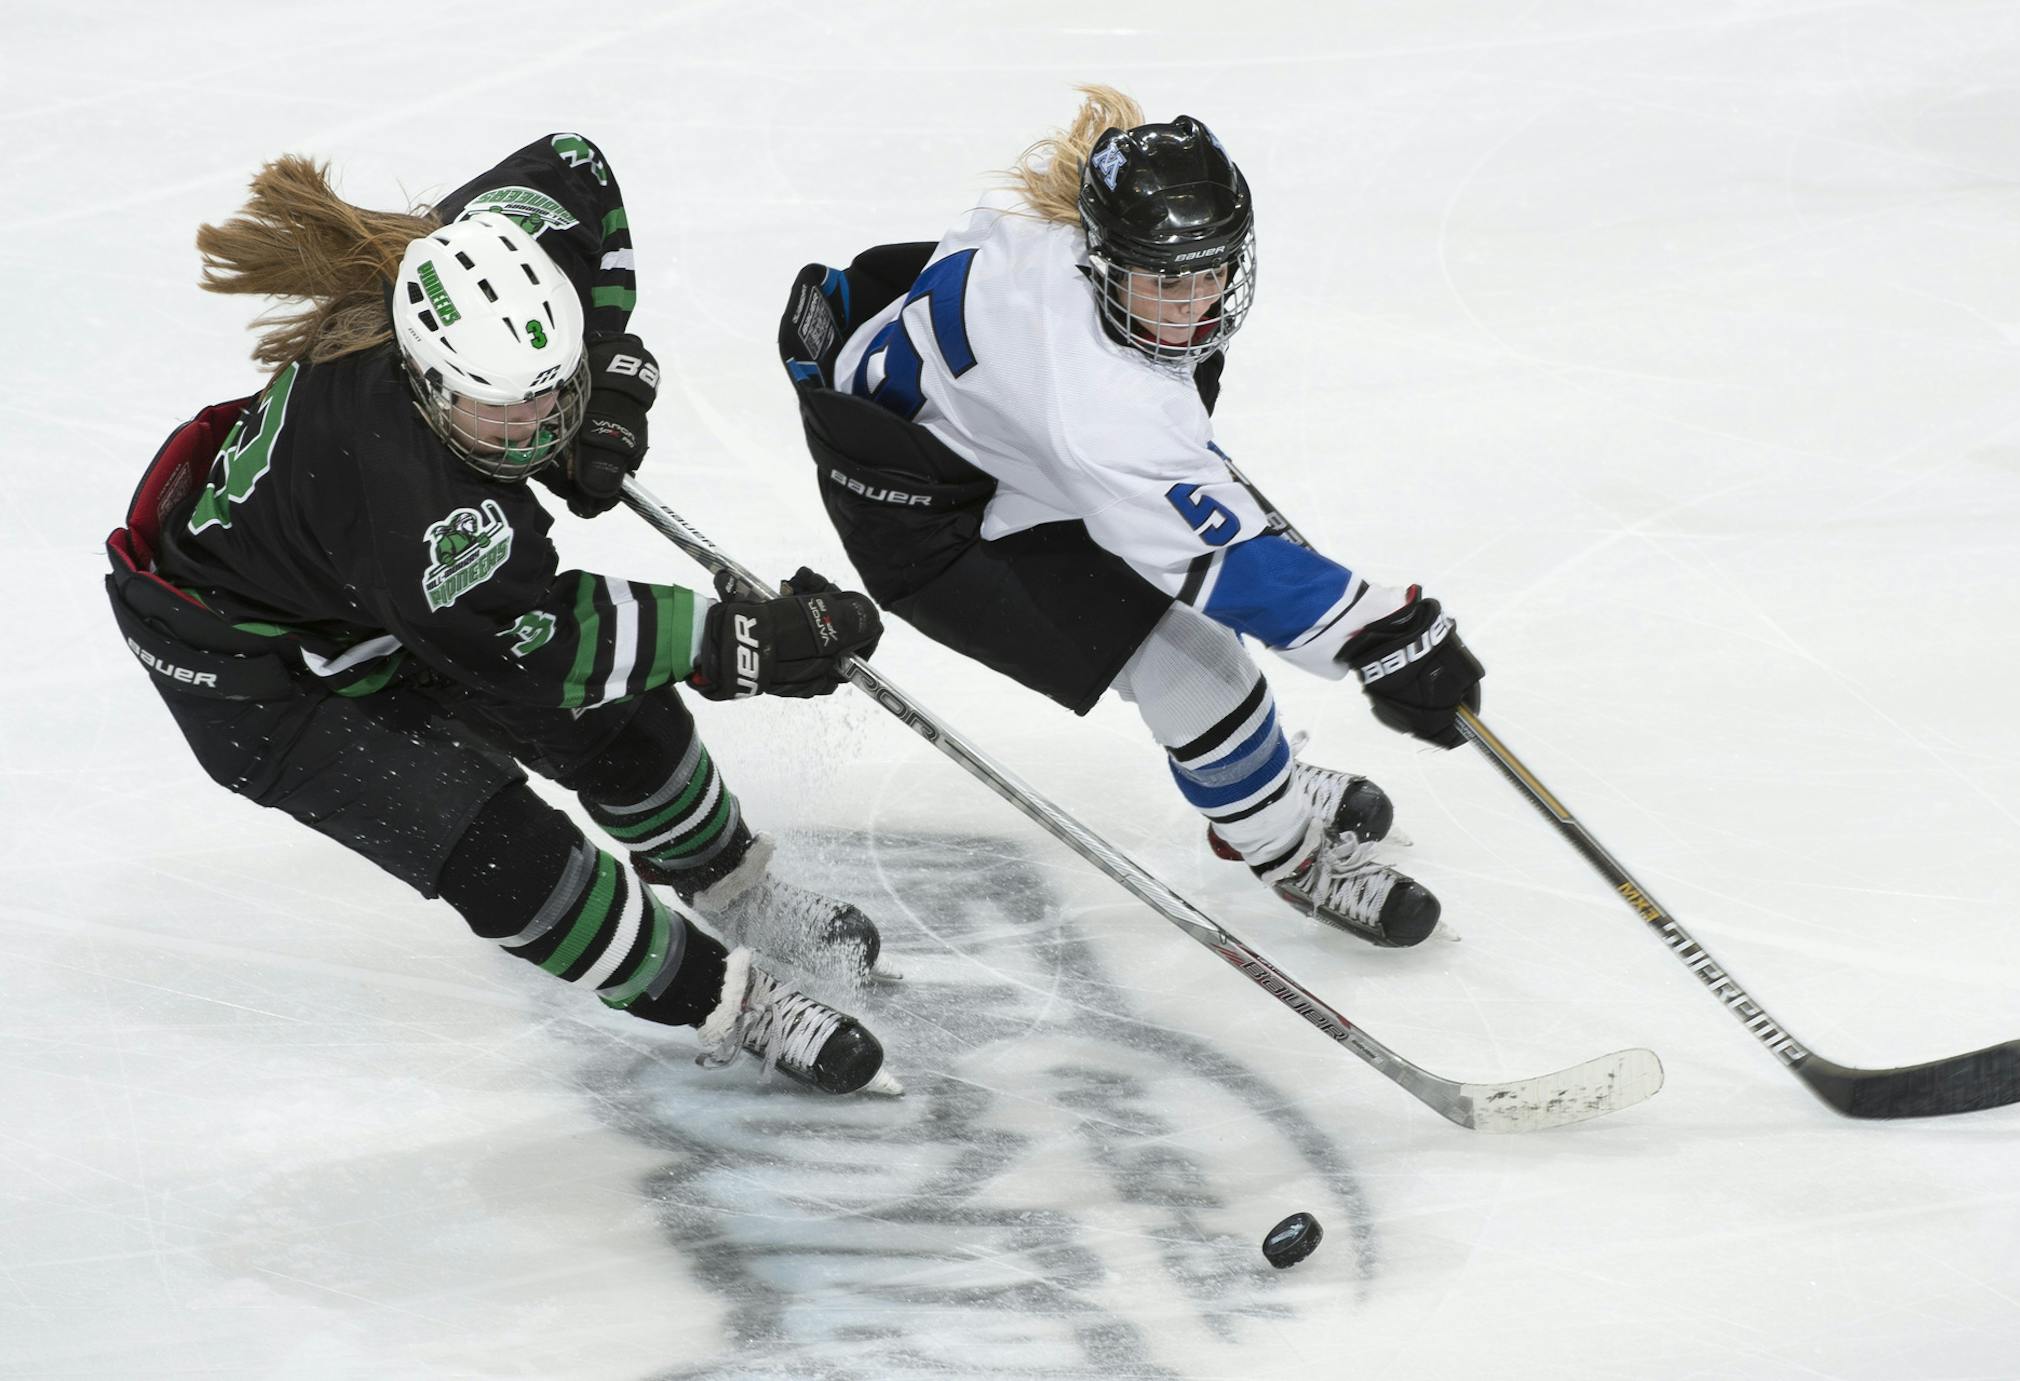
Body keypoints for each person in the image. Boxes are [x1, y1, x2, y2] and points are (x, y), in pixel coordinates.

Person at [105, 133, 896, 1095]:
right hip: (257, 673)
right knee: (506, 851)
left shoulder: (489, 281)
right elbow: (546, 647)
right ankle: (742, 1004)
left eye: (550, 394)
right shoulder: (411, 496)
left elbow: (578, 171)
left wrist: (601, 371)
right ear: (429, 382)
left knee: (626, 725)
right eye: (499, 417)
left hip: (351, 588)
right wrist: (739, 642)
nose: (535, 430)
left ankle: (739, 890)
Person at [775, 88, 1486, 948]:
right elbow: (1224, 568)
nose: (1195, 306)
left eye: (1213, 271)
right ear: (1106, 263)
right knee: (1194, 664)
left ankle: (1257, 777)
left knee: (1190, 616)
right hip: (935, 529)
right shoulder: (1097, 403)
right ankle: (1288, 852)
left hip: (973, 447)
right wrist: (1385, 635)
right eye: (1167, 283)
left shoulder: (1062, 225)